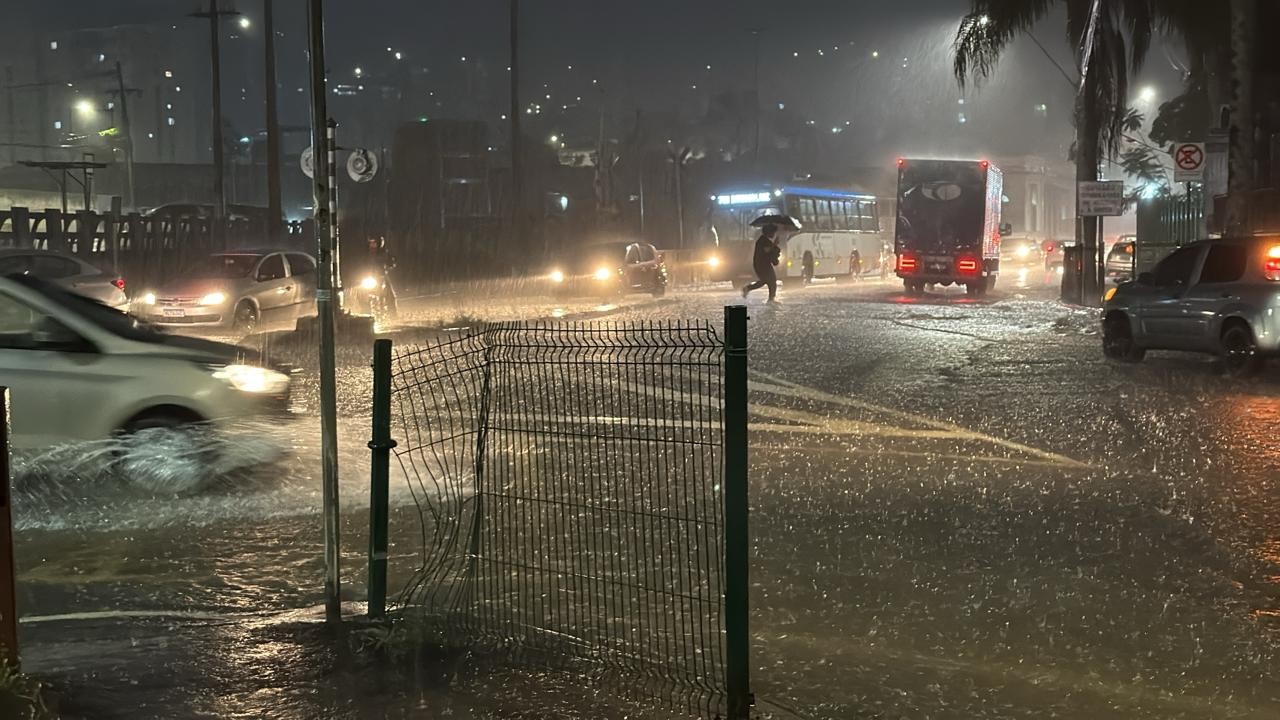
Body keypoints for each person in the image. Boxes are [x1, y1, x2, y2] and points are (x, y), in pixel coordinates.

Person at [741, 224, 782, 303]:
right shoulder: (762, 240)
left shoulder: (765, 240)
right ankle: (771, 299)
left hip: (763, 264)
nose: (774, 234)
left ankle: (748, 288)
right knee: (771, 280)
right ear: (769, 232)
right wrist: (775, 244)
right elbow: (767, 250)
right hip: (761, 265)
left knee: (766, 281)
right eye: (773, 232)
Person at [366, 236, 398, 316]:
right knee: (362, 294)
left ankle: (393, 314)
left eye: (374, 243)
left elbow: (390, 262)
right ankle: (366, 312)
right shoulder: (366, 254)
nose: (372, 245)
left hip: (381, 276)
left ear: (379, 243)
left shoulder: (383, 253)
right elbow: (360, 264)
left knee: (390, 295)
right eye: (371, 243)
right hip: (369, 276)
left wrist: (391, 263)